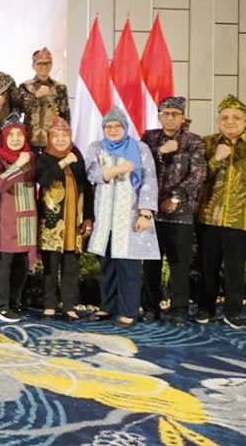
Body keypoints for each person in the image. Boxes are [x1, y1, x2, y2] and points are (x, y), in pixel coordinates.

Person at [194, 94, 246, 330]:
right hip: (209, 216)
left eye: (236, 118)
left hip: (241, 217)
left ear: (245, 121)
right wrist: (216, 159)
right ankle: (206, 308)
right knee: (207, 266)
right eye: (225, 118)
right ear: (218, 121)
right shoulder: (207, 143)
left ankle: (233, 312)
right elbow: (197, 178)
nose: (230, 122)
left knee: (235, 267)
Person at [85, 107, 160, 329]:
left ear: (125, 127)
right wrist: (118, 169)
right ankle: (107, 306)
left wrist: (145, 212)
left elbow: (149, 179)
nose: (113, 130)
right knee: (107, 265)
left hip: (130, 217)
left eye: (118, 126)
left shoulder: (139, 148)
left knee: (129, 266)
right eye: (108, 126)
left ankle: (128, 311)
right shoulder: (96, 147)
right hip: (105, 217)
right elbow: (92, 174)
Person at [139, 97, 206, 327]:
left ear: (183, 117)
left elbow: (198, 174)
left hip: (180, 213)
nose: (170, 118)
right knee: (151, 264)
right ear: (159, 116)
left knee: (179, 264)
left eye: (175, 114)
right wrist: (161, 151)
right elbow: (141, 166)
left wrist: (176, 198)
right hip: (151, 212)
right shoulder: (149, 138)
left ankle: (179, 310)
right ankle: (150, 308)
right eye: (166, 113)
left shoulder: (194, 141)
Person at [35, 117, 93, 322]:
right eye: (56, 136)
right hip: (51, 222)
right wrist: (63, 162)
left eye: (64, 136)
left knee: (71, 266)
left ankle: (69, 306)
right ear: (49, 138)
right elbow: (43, 179)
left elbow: (87, 189)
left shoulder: (78, 157)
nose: (60, 140)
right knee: (50, 266)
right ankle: (49, 305)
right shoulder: (43, 158)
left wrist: (88, 218)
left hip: (74, 221)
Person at [0, 114, 37, 323]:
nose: (15, 139)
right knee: (3, 263)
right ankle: (0, 305)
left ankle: (14, 304)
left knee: (20, 265)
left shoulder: (30, 156)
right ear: (4, 137)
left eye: (19, 135)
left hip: (26, 216)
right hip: (5, 216)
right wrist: (17, 166)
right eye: (11, 135)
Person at [17, 47, 69, 151]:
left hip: (53, 141)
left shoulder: (60, 88)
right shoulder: (25, 86)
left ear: (51, 64)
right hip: (30, 139)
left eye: (47, 63)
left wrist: (65, 138)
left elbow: (65, 116)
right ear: (33, 65)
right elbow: (20, 108)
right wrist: (35, 96)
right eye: (40, 63)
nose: (44, 66)